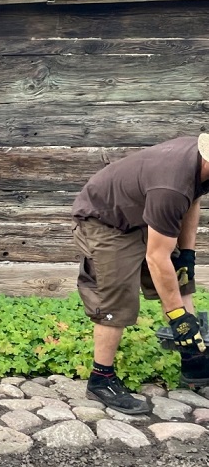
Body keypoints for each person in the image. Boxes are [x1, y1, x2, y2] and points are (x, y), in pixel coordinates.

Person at [71, 134, 209, 415]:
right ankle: (101, 380)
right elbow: (157, 259)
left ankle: (194, 363)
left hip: (142, 211)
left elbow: (192, 200)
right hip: (105, 219)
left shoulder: (198, 165)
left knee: (180, 277)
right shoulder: (171, 185)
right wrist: (178, 317)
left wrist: (187, 254)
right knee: (117, 298)